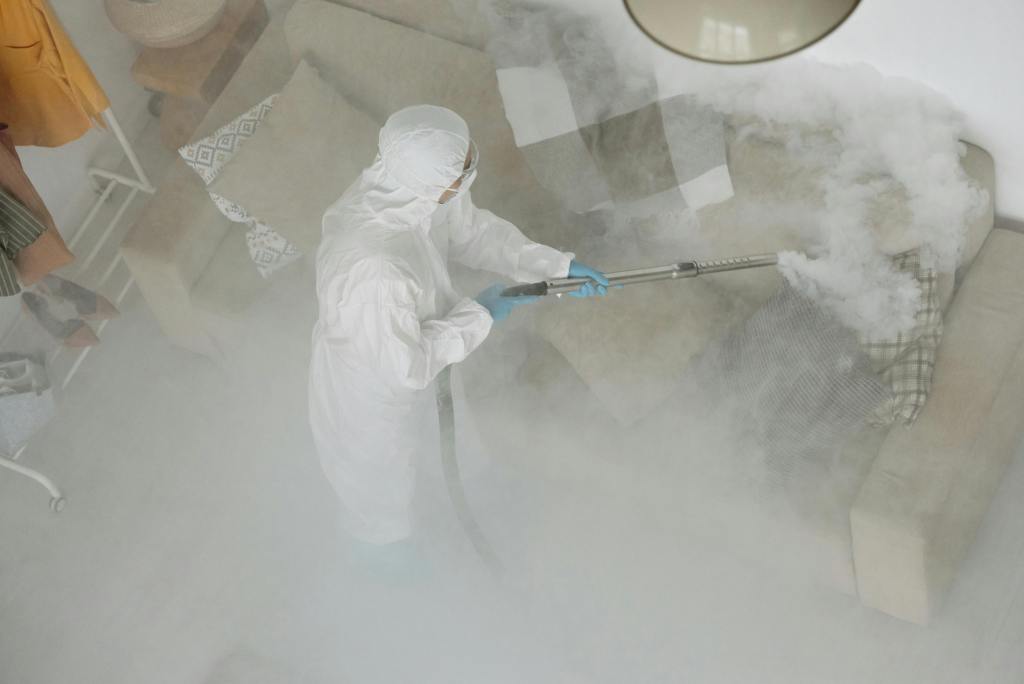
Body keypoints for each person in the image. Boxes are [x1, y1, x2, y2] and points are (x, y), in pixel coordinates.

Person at [309, 105, 608, 547]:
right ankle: (383, 554)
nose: (470, 172)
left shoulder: (417, 189)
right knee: (379, 483)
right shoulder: (375, 267)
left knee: (451, 431)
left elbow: (472, 233)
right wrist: (481, 313)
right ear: (432, 181)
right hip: (374, 393)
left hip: (431, 353)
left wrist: (554, 265)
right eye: (463, 169)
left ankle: (477, 489)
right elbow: (403, 369)